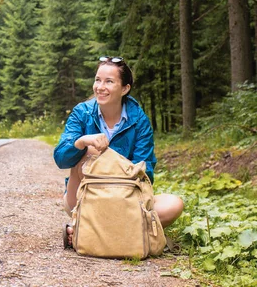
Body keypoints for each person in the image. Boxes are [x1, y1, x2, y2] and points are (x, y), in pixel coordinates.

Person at [54, 56, 184, 248]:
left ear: (125, 89)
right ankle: (126, 234)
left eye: (109, 81)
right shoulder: (81, 113)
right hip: (84, 199)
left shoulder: (139, 120)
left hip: (126, 199)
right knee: (89, 150)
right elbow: (61, 159)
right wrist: (81, 142)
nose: (100, 87)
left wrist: (114, 167)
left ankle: (87, 232)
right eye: (98, 80)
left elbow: (145, 171)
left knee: (174, 204)